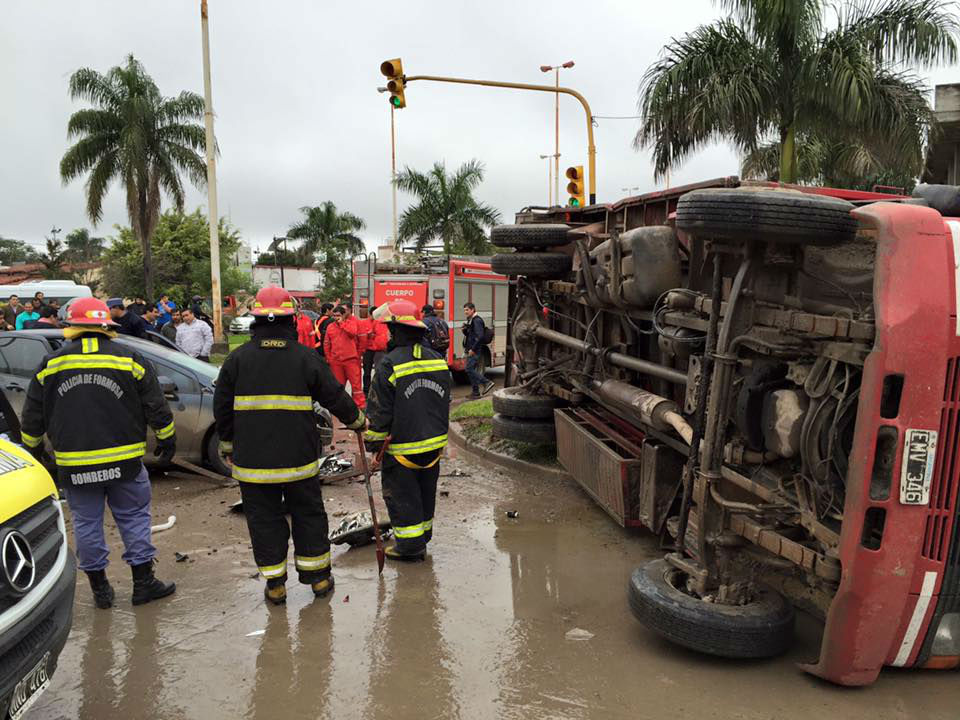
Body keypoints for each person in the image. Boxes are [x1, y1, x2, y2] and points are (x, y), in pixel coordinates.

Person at [20, 297, 177, 609]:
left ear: (71, 327)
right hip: (124, 462)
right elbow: (155, 405)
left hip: (75, 465)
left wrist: (34, 450)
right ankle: (143, 583)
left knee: (85, 522)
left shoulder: (51, 364)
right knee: (133, 518)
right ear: (107, 325)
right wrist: (166, 439)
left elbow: (32, 414)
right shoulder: (129, 358)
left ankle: (100, 590)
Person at [213, 285, 366, 605]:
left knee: (264, 521)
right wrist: (358, 423)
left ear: (255, 319)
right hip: (299, 459)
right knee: (309, 515)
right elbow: (335, 395)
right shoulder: (305, 357)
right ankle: (319, 580)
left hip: (253, 463)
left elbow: (222, 408)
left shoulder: (236, 360)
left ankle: (276, 586)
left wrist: (228, 445)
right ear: (291, 319)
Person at [365, 299, 451, 561]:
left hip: (401, 448)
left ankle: (410, 547)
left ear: (398, 331)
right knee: (426, 493)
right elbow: (443, 402)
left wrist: (374, 449)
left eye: (391, 329)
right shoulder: (437, 360)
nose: (389, 334)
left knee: (403, 495)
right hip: (434, 446)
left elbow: (379, 412)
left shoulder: (389, 365)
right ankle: (423, 536)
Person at [323, 304, 365, 408]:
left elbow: (352, 333)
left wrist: (342, 324)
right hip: (336, 362)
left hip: (351, 360)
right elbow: (327, 343)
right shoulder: (330, 327)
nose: (336, 318)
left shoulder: (351, 324)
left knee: (356, 387)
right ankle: (341, 407)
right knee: (338, 386)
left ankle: (360, 406)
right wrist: (329, 358)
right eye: (334, 315)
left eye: (338, 315)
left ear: (343, 315)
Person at [462, 302, 494, 399]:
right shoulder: (472, 320)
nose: (465, 312)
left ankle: (487, 382)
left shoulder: (477, 320)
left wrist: (473, 349)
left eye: (467, 310)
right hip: (471, 349)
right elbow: (472, 335)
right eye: (464, 310)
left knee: (469, 369)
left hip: (474, 350)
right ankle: (475, 392)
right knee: (470, 370)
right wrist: (465, 330)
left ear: (472, 310)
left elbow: (479, 336)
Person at [360, 309, 389, 394]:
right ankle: (366, 390)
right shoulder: (364, 323)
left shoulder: (381, 322)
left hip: (378, 350)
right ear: (370, 314)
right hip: (368, 350)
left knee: (379, 371)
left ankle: (377, 390)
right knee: (367, 372)